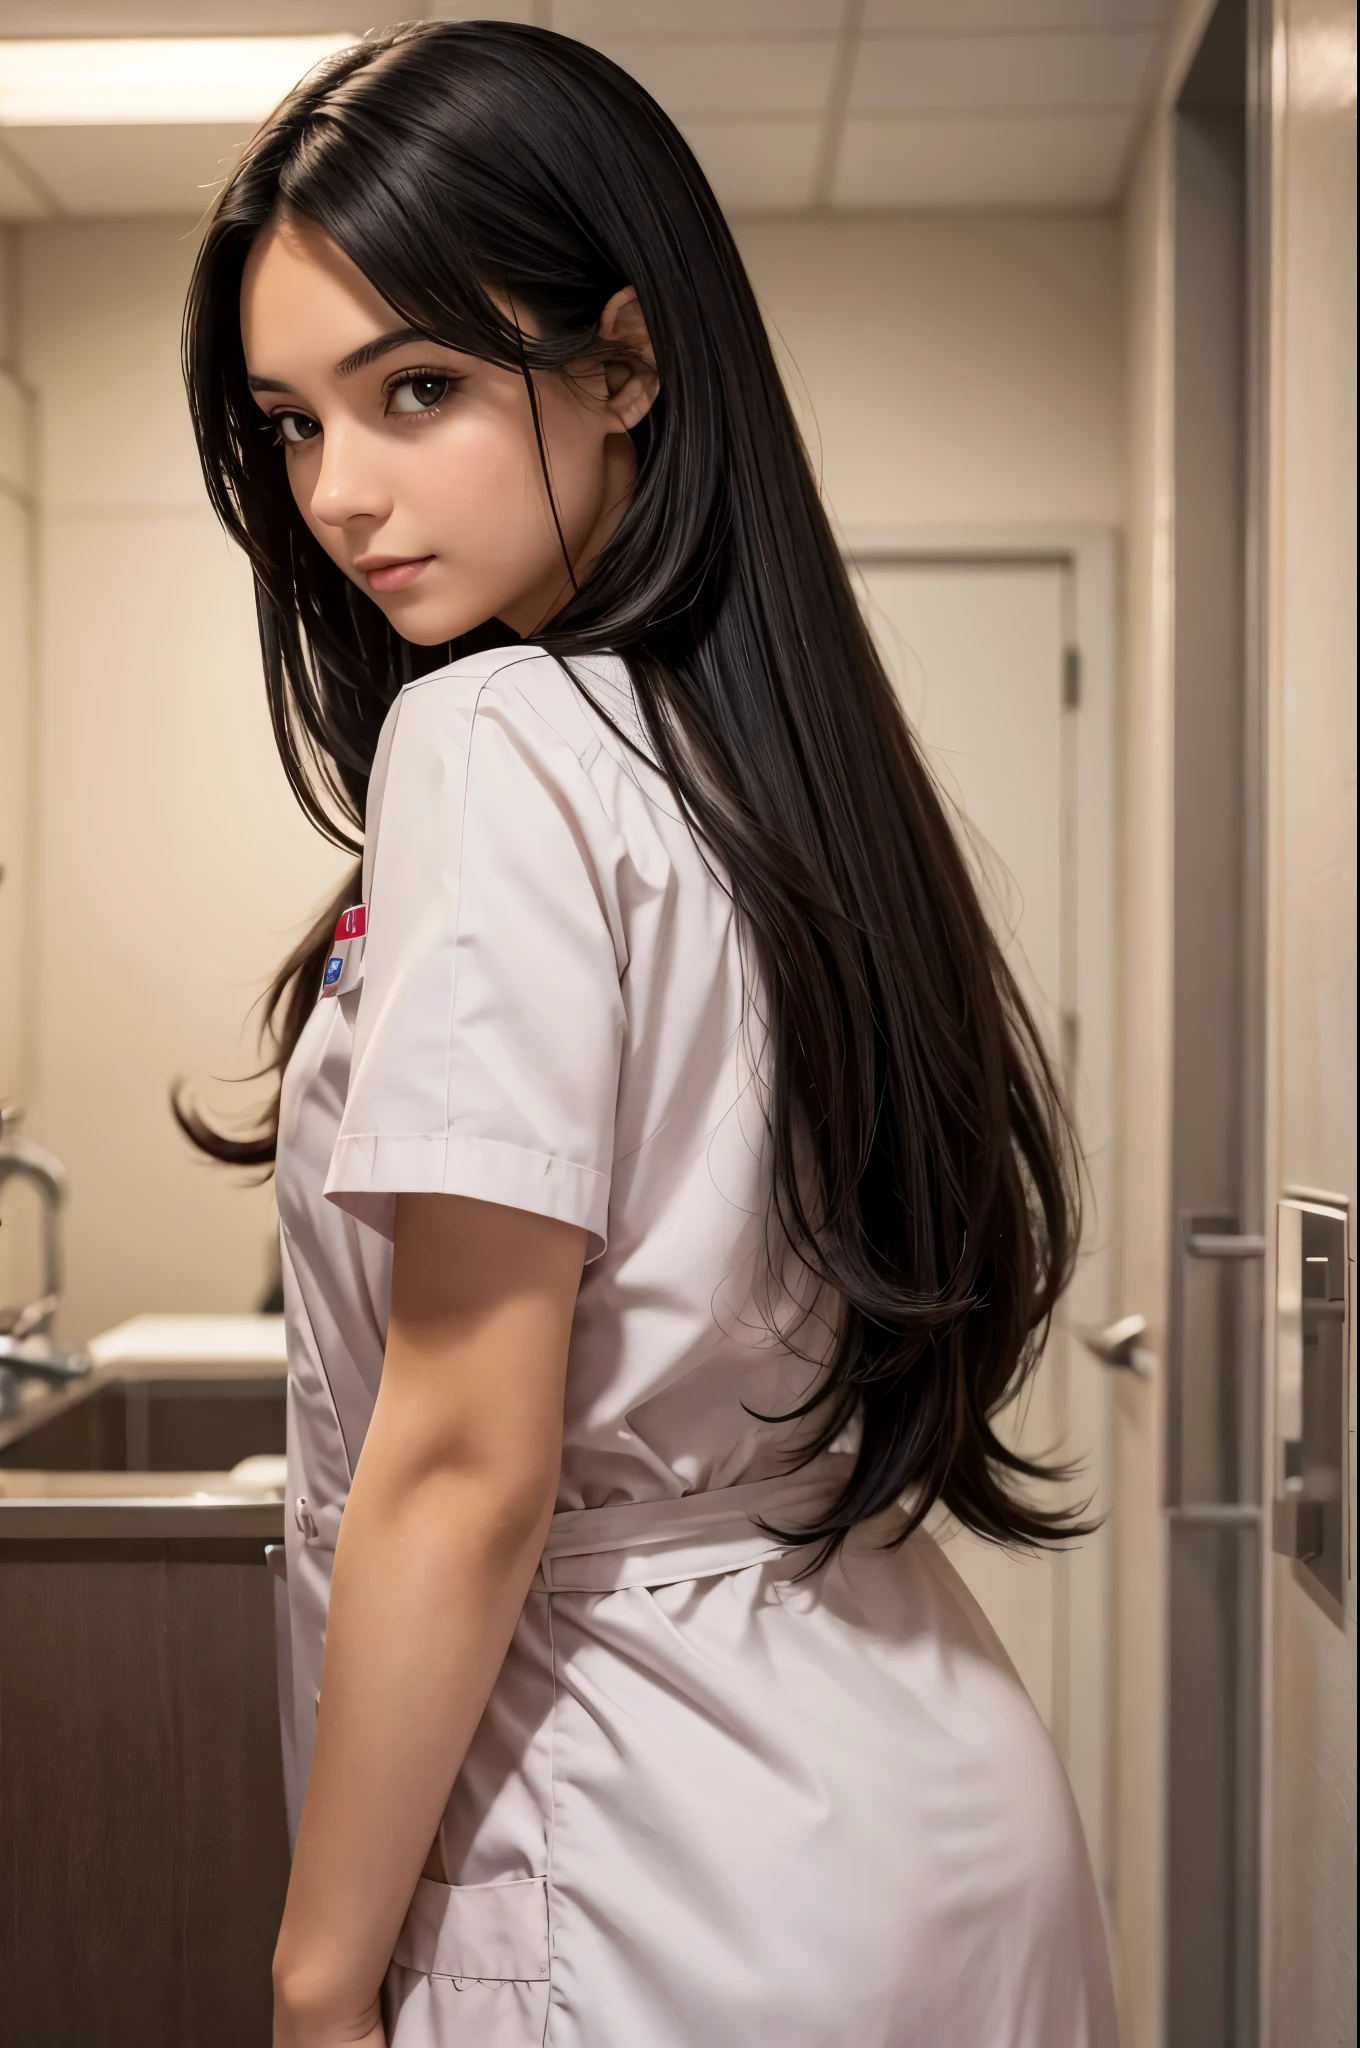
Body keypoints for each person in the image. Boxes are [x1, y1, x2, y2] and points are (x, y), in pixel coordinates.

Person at [179, 21, 1117, 2048]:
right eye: (289, 425)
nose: (340, 492)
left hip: (646, 1843)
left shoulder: (490, 738)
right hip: (924, 1793)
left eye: (414, 387)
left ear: (623, 359)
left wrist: (317, 1976)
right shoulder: (776, 766)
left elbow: (462, 1457)